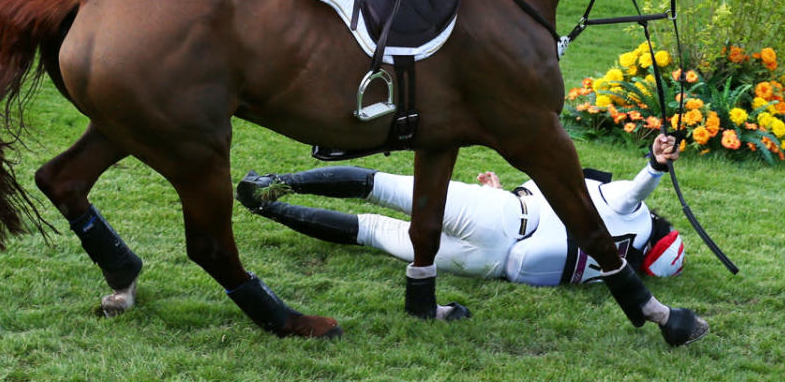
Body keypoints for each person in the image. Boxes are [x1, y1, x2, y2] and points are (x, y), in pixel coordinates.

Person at [236, 134, 685, 286]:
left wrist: (655, 165)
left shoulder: (637, 218)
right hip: (485, 265)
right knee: (371, 231)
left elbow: (630, 196)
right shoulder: (611, 273)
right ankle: (270, 211)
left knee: (384, 188)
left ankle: (275, 186)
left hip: (502, 216)